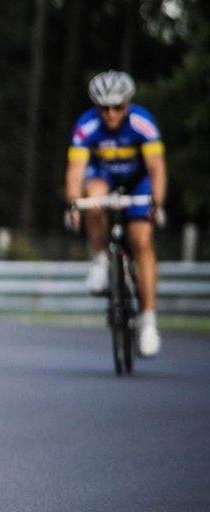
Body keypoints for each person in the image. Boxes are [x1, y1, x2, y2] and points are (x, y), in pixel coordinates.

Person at [65, 70, 167, 357]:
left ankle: (148, 321)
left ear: (128, 103)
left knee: (141, 240)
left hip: (138, 181)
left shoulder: (142, 123)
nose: (111, 114)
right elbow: (76, 170)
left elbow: (157, 168)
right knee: (93, 196)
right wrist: (74, 203)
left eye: (118, 107)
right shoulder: (87, 126)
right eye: (104, 108)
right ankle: (100, 260)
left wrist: (156, 203)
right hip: (103, 179)